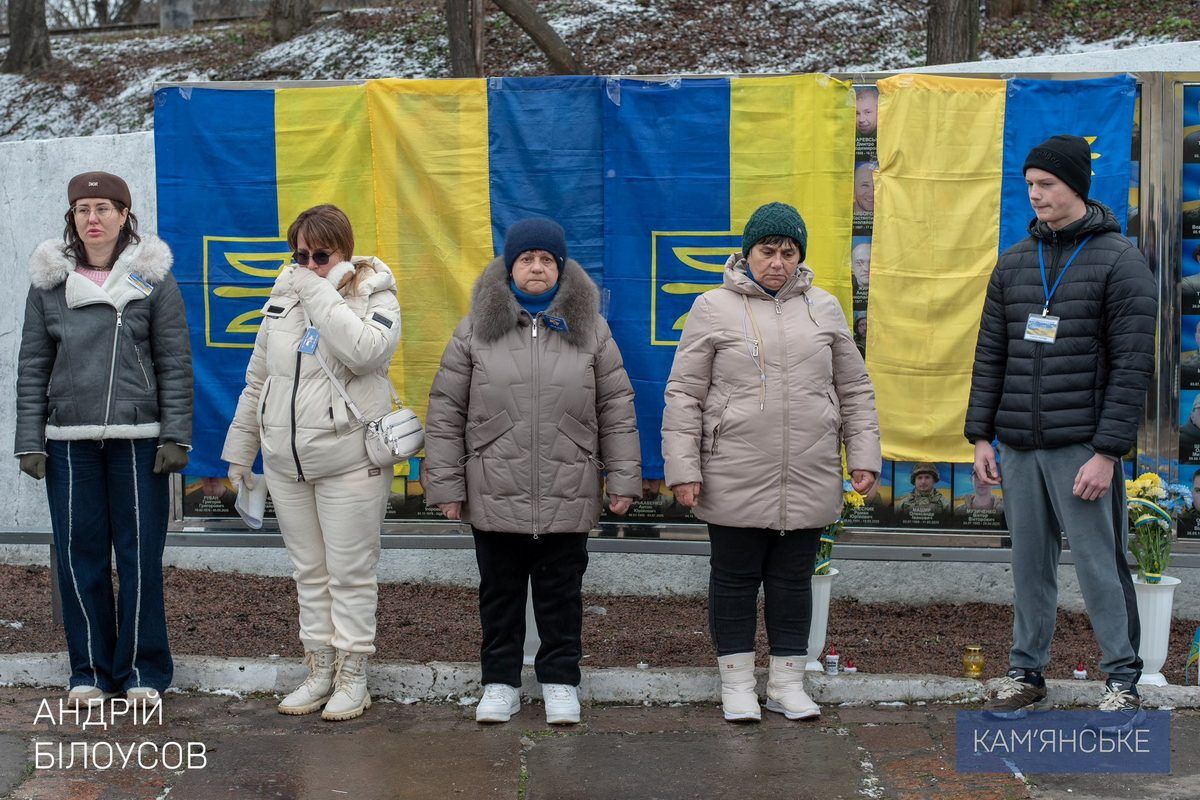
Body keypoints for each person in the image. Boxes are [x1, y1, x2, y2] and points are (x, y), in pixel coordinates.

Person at [661, 201, 881, 723]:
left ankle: (787, 684)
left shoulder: (824, 308)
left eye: (788, 252)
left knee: (793, 581)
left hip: (809, 471)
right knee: (734, 580)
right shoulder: (712, 307)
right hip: (733, 470)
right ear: (747, 254)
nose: (777, 262)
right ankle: (737, 686)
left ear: (800, 256)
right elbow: (684, 394)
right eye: (767, 251)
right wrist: (684, 469)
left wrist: (863, 455)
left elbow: (854, 388)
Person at [966, 135, 1156, 721]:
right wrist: (981, 436)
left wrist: (1107, 452)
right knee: (1029, 567)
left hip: (1082, 448)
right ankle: (1027, 674)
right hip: (1019, 446)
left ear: (1076, 185)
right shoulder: (1015, 261)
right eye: (1029, 184)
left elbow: (1132, 365)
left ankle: (1122, 680)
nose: (1035, 194)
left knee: (1100, 566)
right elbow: (991, 354)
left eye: (1046, 183)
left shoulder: (1119, 260)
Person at [424, 217, 641, 726]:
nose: (537, 267)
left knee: (561, 596)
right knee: (499, 595)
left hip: (568, 486)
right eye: (527, 258)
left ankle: (560, 681)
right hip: (495, 487)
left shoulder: (591, 329)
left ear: (561, 268)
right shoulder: (475, 329)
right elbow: (446, 410)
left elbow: (616, 407)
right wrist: (447, 485)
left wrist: (623, 479)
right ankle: (500, 683)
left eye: (547, 259)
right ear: (510, 267)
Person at [15, 171, 193, 706]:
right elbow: (32, 365)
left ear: (124, 215)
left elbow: (174, 361)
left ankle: (142, 671)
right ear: (72, 217)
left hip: (138, 439)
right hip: (69, 440)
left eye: (103, 208)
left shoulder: (152, 278)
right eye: (82, 209)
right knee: (78, 557)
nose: (92, 219)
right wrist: (30, 440)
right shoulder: (49, 282)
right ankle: (89, 670)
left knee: (140, 557)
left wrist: (175, 433)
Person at [222, 204, 401, 721]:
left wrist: (320, 290)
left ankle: (353, 677)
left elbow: (365, 352)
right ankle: (320, 670)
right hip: (286, 465)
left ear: (344, 251)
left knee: (350, 574)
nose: (307, 265)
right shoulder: (283, 296)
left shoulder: (376, 293)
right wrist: (240, 450)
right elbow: (259, 379)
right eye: (298, 256)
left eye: (320, 255)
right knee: (310, 574)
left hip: (351, 461)